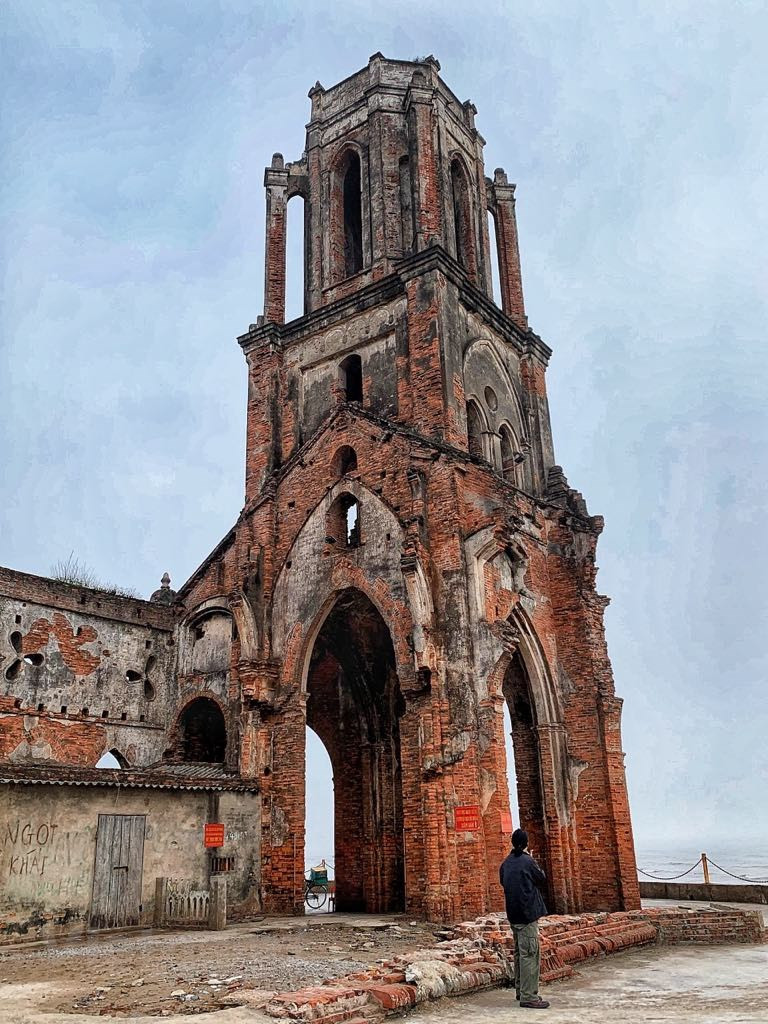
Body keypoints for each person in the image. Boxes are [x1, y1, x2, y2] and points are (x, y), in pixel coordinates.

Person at [499, 828, 550, 1009]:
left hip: (513, 914)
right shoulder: (527, 861)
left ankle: (521, 990)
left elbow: (503, 881)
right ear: (526, 843)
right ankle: (529, 996)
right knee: (530, 953)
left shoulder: (506, 863)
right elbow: (541, 877)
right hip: (527, 914)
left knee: (521, 953)